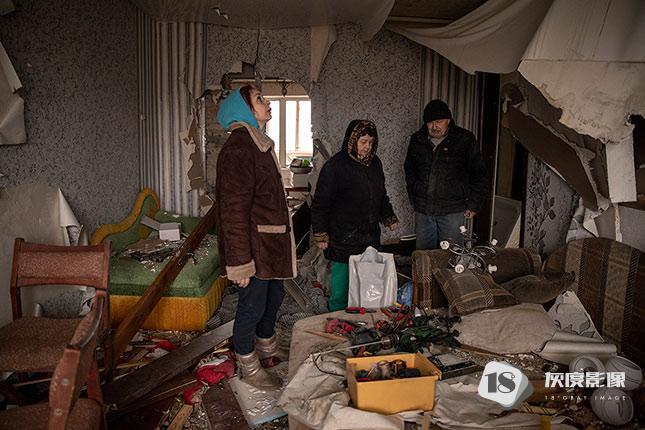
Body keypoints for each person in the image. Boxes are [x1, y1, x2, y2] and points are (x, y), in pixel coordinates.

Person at [215, 84, 296, 390]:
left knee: (274, 298)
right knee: (252, 306)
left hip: (269, 245)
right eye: (260, 99)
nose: (267, 102)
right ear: (244, 109)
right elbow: (232, 211)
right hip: (254, 249)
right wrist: (240, 263)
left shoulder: (257, 142)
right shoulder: (239, 148)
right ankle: (247, 362)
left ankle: (267, 347)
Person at [311, 119, 398, 311]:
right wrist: (321, 233)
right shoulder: (335, 166)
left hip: (369, 237)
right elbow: (321, 203)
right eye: (363, 141)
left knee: (367, 287)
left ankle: (362, 321)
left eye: (371, 142)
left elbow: (381, 195)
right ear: (352, 141)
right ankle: (337, 321)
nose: (368, 146)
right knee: (341, 291)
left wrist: (388, 216)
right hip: (343, 238)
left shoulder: (375, 164)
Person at [404, 99, 487, 250]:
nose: (434, 126)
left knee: (451, 254)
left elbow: (479, 174)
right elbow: (410, 169)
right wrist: (414, 194)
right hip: (424, 209)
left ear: (448, 120)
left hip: (452, 209)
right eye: (430, 122)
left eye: (439, 121)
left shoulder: (464, 139)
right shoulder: (417, 139)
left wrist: (474, 204)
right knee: (424, 254)